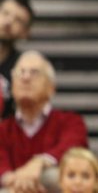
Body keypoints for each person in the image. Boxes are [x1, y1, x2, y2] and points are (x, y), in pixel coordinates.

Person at [0, 51, 88, 193]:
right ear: (12, 85)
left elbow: (73, 148)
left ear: (51, 87)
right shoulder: (3, 129)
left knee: (55, 177)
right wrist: (17, 180)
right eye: (20, 72)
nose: (26, 78)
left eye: (34, 72)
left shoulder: (71, 122)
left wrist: (40, 162)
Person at [0, 0, 33, 119]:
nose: (8, 22)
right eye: (5, 13)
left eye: (18, 20)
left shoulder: (25, 70)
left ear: (26, 33)